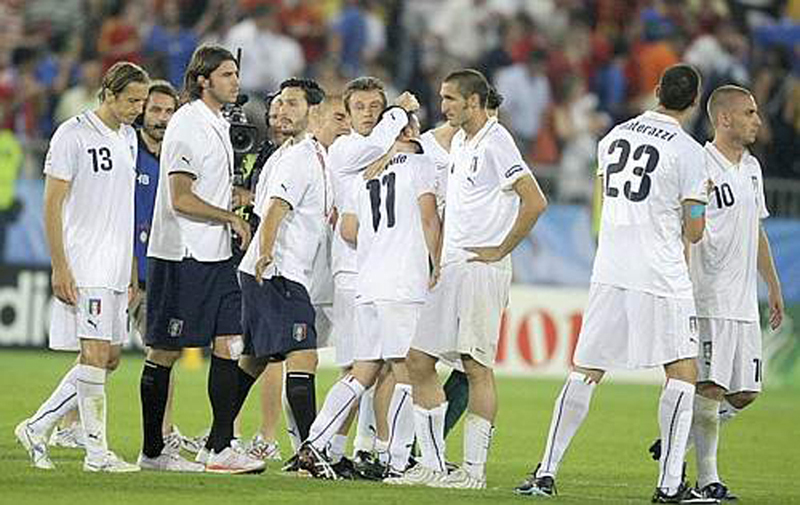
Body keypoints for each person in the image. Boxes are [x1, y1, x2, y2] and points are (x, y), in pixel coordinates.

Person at [513, 64, 715, 503]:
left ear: (657, 90)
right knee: (682, 372)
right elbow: (695, 230)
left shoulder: (614, 137)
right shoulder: (689, 151)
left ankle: (545, 472)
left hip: (610, 268)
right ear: (696, 101)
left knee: (586, 369)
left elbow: (600, 202)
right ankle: (668, 486)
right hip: (660, 272)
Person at [393, 68, 548, 489]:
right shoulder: (461, 141)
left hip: (482, 269)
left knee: (476, 367)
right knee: (417, 360)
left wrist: (500, 249)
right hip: (454, 267)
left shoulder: (497, 142)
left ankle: (474, 472)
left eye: (450, 100)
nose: (442, 107)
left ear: (474, 102)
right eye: (442, 99)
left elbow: (534, 201)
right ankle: (432, 464)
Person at [15, 61, 149, 473]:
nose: (137, 109)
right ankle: (97, 454)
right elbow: (52, 203)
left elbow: (124, 209)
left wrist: (130, 272)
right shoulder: (72, 135)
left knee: (108, 357)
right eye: (131, 100)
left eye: (142, 102)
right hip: (84, 261)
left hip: (113, 266)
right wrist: (60, 266)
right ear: (107, 93)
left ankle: (37, 427)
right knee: (92, 354)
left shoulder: (129, 138)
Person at [653, 84, 783, 501]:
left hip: (743, 302)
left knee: (745, 393)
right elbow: (682, 229)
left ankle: (678, 439)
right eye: (749, 113)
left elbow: (757, 229)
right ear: (724, 118)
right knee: (709, 388)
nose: (757, 121)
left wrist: (773, 284)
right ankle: (708, 480)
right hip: (706, 296)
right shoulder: (697, 164)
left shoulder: (752, 168)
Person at [298, 112, 441, 480]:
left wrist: (379, 247)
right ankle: (396, 460)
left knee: (363, 370)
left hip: (369, 283)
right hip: (402, 283)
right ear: (409, 130)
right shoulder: (421, 165)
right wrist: (437, 263)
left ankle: (314, 442)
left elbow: (348, 229)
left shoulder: (367, 175)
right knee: (408, 370)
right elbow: (428, 218)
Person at [137, 44, 258, 474]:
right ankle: (152, 451)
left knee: (230, 343)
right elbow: (181, 197)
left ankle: (219, 448)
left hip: (216, 252)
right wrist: (229, 216)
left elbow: (206, 188)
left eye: (236, 74)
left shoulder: (216, 123)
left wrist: (241, 199)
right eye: (227, 74)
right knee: (165, 352)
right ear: (203, 79)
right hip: (182, 252)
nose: (235, 82)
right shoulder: (187, 123)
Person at [222, 78, 350, 465]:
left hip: (275, 269)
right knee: (303, 358)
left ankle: (219, 437)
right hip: (278, 270)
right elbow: (276, 207)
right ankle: (312, 453)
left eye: (292, 103)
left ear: (311, 110)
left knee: (254, 360)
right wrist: (264, 254)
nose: (282, 111)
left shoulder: (307, 156)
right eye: (281, 103)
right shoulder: (299, 158)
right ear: (321, 115)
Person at [324, 77, 420, 475]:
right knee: (358, 368)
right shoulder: (347, 149)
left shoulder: (384, 152)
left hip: (376, 275)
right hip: (353, 272)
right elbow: (350, 228)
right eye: (360, 107)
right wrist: (398, 112)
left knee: (379, 368)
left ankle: (369, 448)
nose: (368, 113)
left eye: (374, 107)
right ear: (346, 114)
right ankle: (329, 447)